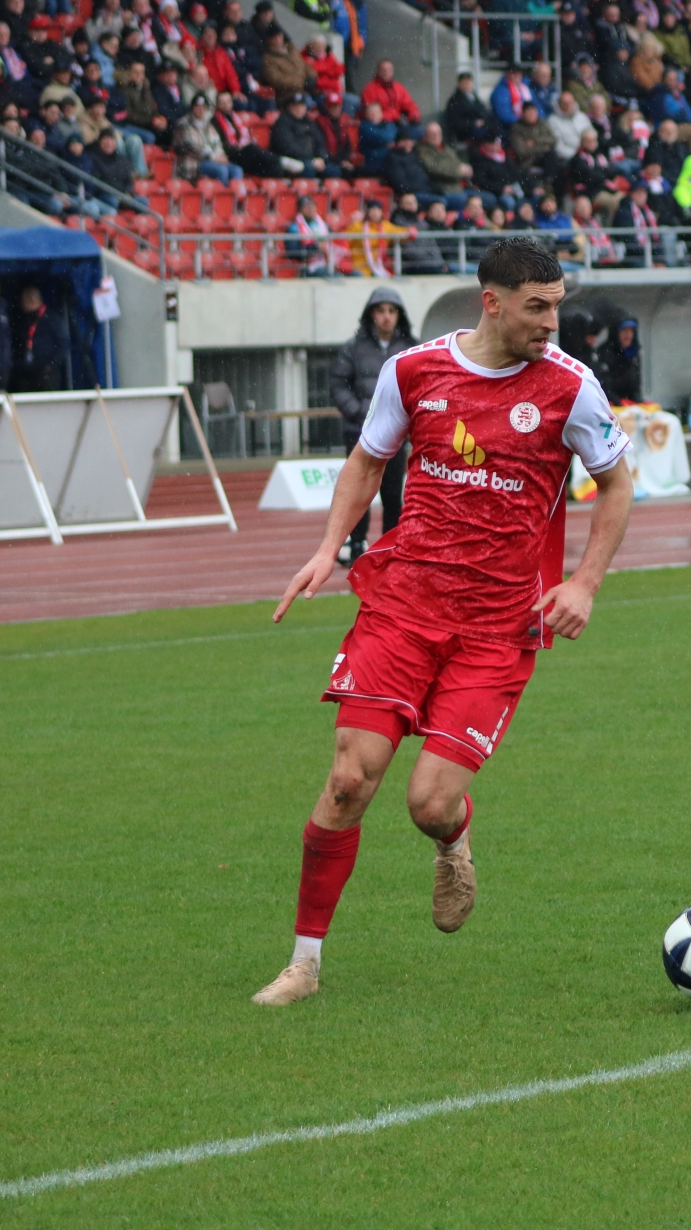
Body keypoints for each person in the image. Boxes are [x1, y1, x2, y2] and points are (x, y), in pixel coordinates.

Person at [254, 238, 635, 1007]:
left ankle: (453, 841)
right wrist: (327, 549)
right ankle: (304, 964)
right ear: (491, 302)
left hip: (496, 628)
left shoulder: (571, 387)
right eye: (537, 307)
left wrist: (585, 583)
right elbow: (367, 461)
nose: (552, 322)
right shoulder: (412, 371)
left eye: (557, 306)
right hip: (402, 607)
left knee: (428, 802)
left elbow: (617, 483)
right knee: (348, 780)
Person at [328, 285, 416, 563]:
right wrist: (358, 413)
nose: (386, 316)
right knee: (359, 492)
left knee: (392, 494)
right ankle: (356, 545)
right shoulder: (352, 348)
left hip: (396, 434)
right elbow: (338, 384)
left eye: (392, 311)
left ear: (399, 315)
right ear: (371, 315)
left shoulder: (412, 348)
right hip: (359, 432)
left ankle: (391, 548)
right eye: (380, 311)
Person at [9, 283, 68, 392]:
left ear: (31, 300)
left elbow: (63, 344)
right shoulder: (22, 320)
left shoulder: (52, 319)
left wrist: (51, 364)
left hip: (46, 373)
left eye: (24, 300)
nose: (21, 304)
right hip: (26, 372)